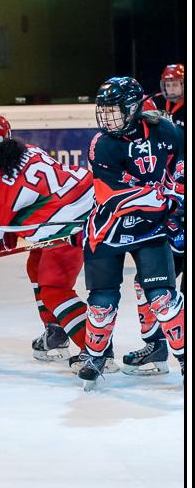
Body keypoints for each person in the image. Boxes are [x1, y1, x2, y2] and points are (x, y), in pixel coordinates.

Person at [0, 114, 94, 364]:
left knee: (55, 289)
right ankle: (56, 331)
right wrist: (9, 230)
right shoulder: (25, 151)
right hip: (84, 208)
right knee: (36, 265)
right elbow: (31, 197)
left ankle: (96, 351)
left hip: (70, 225)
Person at [77, 76, 185, 384]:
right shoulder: (102, 145)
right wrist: (159, 197)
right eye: (104, 110)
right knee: (101, 302)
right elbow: (111, 196)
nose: (107, 117)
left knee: (162, 297)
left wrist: (177, 193)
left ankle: (182, 357)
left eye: (115, 110)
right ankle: (96, 356)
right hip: (109, 228)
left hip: (152, 228)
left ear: (134, 108)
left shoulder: (166, 130)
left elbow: (181, 163)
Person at [123, 64, 186, 375]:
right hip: (172, 226)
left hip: (179, 222)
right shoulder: (150, 140)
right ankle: (157, 346)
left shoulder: (170, 137)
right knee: (147, 284)